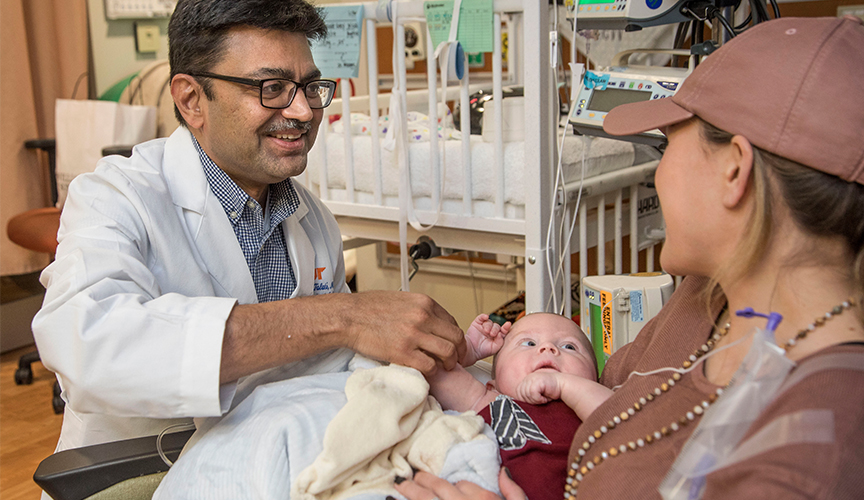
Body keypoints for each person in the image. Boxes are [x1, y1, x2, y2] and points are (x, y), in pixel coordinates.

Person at [395, 15, 864, 500]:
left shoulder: (822, 443)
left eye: (667, 143)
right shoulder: (703, 301)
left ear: (734, 171)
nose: (658, 174)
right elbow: (601, 382)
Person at [32, 0, 465, 454]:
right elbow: (91, 346)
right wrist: (343, 316)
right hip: (145, 472)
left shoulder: (311, 220)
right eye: (272, 87)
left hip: (277, 461)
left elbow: (335, 365)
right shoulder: (115, 196)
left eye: (310, 86)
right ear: (191, 99)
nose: (303, 111)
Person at [428, 312, 613, 499]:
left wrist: (562, 385)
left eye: (569, 346)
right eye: (529, 343)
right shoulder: (492, 401)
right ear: (494, 385)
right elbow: (431, 367)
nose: (548, 348)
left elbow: (621, 420)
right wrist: (467, 351)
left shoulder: (589, 407)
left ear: (597, 380)